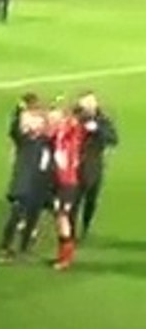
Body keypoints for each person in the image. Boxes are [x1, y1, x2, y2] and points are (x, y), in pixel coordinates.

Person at [0, 94, 51, 262]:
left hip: (40, 185)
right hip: (23, 184)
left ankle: (24, 248)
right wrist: (19, 111)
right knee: (15, 216)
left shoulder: (46, 140)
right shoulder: (25, 140)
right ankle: (5, 248)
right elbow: (14, 130)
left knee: (33, 218)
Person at [73, 92, 118, 240]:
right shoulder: (75, 117)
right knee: (74, 200)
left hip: (94, 166)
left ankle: (85, 227)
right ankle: (70, 232)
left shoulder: (102, 120)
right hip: (74, 165)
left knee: (91, 200)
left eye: (91, 103)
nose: (89, 106)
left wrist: (97, 129)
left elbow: (113, 139)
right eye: (85, 104)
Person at [49, 106, 85, 270]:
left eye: (55, 119)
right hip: (57, 183)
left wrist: (70, 117)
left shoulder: (71, 134)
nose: (52, 122)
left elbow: (77, 126)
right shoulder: (57, 136)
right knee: (59, 219)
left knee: (63, 219)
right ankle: (62, 255)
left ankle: (66, 258)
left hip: (68, 183)